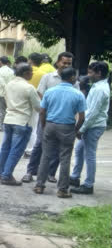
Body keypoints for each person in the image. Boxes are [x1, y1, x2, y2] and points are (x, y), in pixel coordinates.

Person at [33, 67, 86, 198]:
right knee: (65, 158)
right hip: (67, 126)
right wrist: (75, 129)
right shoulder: (78, 94)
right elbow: (82, 117)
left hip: (50, 125)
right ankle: (62, 189)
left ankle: (39, 185)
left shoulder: (50, 92)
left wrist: (45, 125)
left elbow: (42, 111)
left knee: (46, 156)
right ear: (73, 77)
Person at [22, 52, 75, 183]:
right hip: (46, 117)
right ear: (58, 62)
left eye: (69, 63)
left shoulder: (74, 80)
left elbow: (76, 98)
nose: (66, 65)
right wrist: (46, 110)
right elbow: (40, 94)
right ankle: (30, 171)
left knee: (58, 147)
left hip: (64, 120)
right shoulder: (48, 77)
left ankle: (51, 173)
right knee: (39, 144)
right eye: (64, 62)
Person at [69, 61, 109, 195]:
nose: (88, 74)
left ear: (99, 73)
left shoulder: (100, 89)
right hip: (92, 124)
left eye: (91, 72)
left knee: (89, 155)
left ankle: (88, 185)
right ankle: (75, 177)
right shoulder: (98, 86)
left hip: (94, 125)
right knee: (79, 150)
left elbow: (93, 113)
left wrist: (82, 128)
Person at [0, 64, 40, 186]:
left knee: (5, 148)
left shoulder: (9, 85)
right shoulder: (29, 87)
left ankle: (2, 172)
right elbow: (38, 106)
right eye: (31, 72)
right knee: (16, 150)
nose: (32, 74)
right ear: (26, 73)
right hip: (22, 121)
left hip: (9, 118)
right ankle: (6, 175)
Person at [0, 56, 14, 132]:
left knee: (2, 111)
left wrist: (6, 90)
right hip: (10, 93)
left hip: (1, 93)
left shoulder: (0, 71)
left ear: (0, 62)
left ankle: (2, 126)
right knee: (9, 111)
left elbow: (2, 83)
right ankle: (8, 126)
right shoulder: (11, 71)